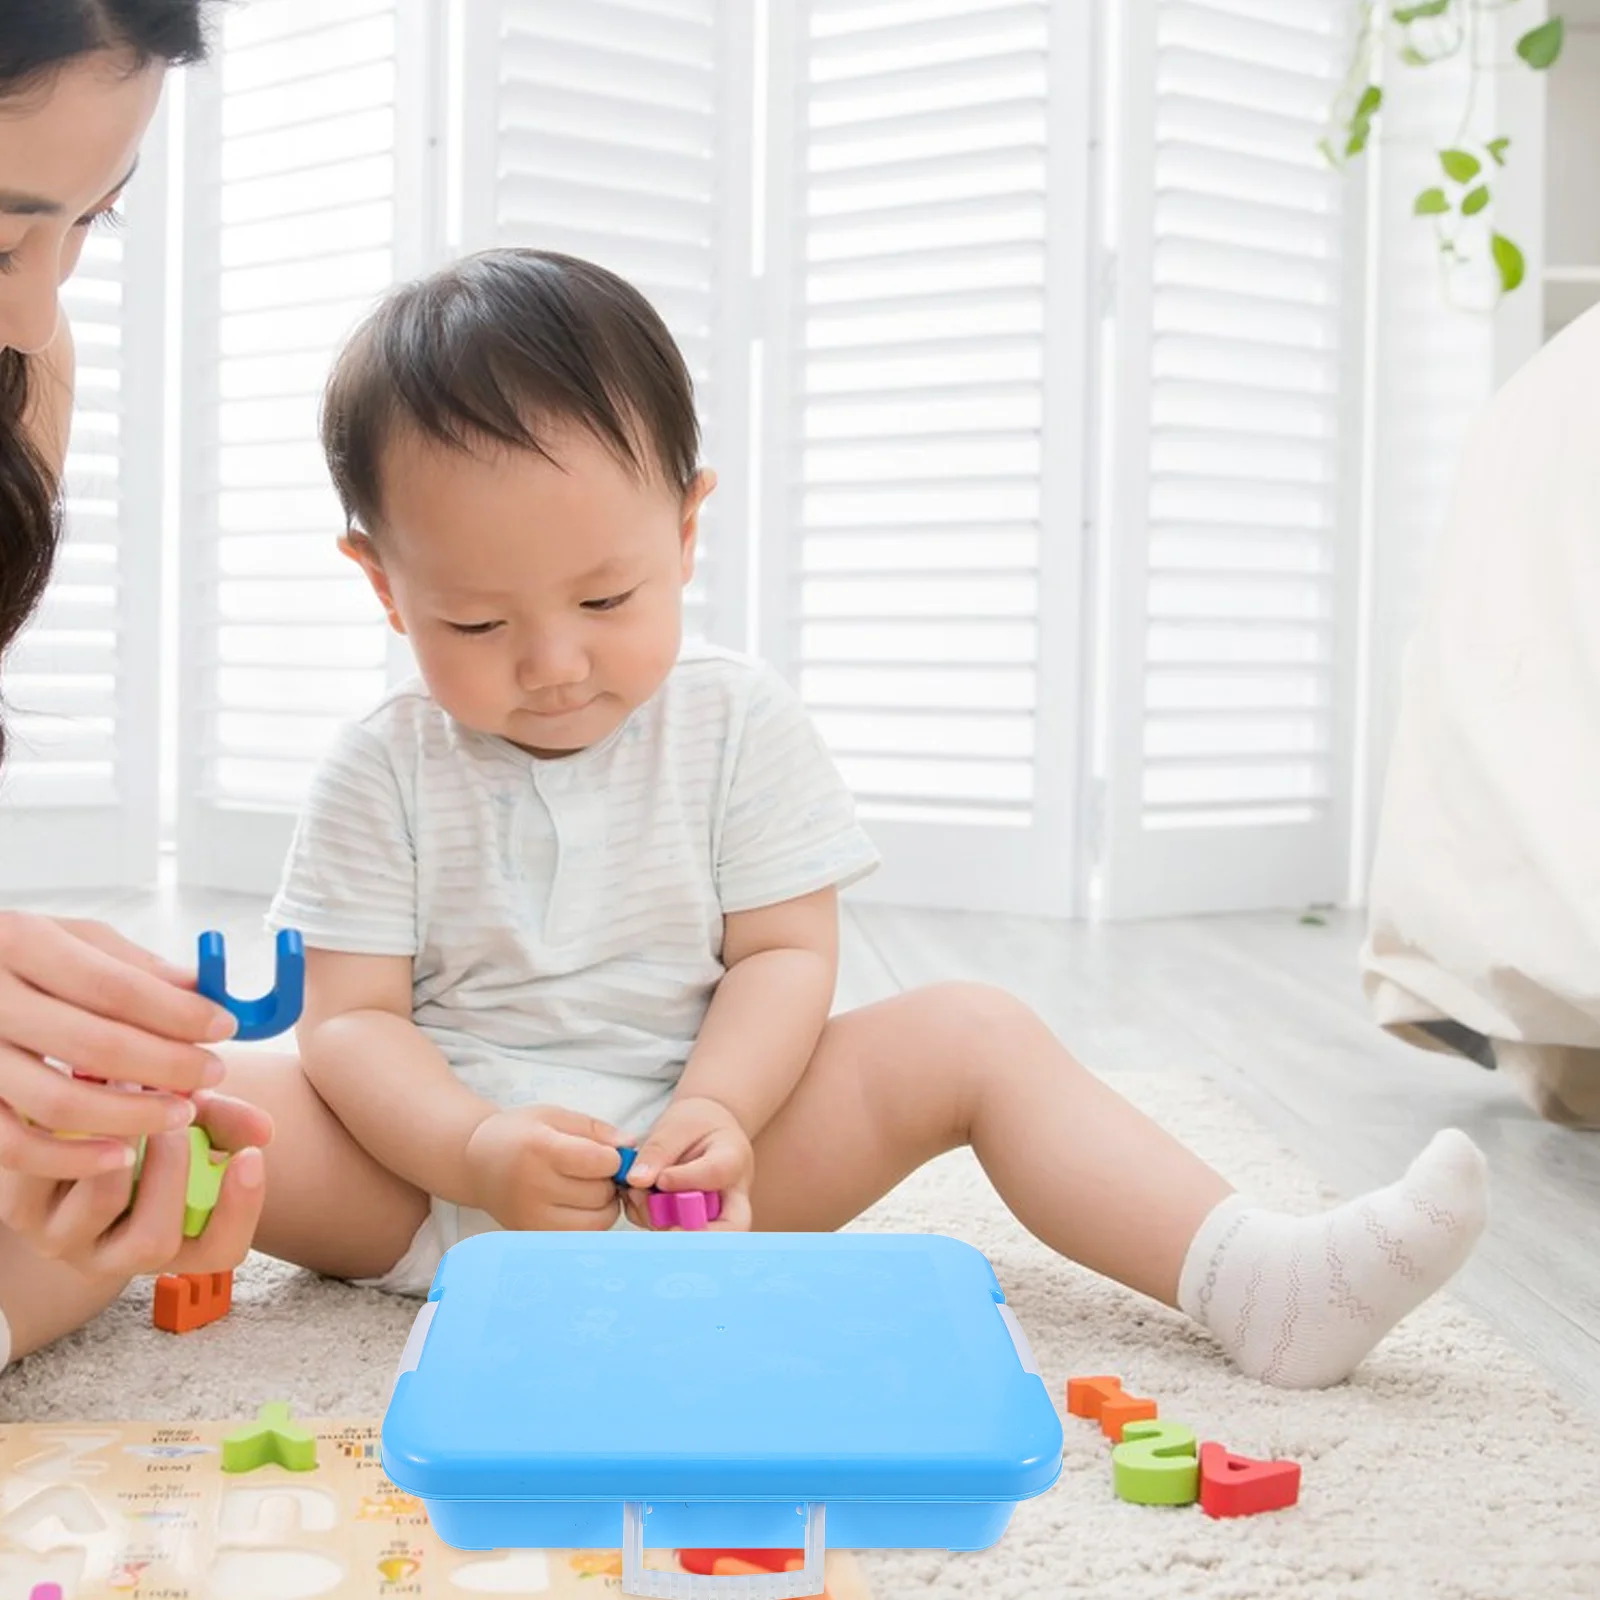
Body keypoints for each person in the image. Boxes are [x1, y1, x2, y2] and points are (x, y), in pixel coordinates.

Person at [261, 244, 1492, 1390]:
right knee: (201, 1100)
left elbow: (785, 955)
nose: (554, 662)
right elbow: (354, 1025)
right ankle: (71, 1269)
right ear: (383, 583)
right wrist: (472, 1151)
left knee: (973, 1032)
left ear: (685, 533)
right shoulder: (385, 767)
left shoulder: (736, 722)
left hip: (713, 1171)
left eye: (604, 596)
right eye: (477, 623)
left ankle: (1261, 1279)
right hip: (428, 1184)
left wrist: (722, 1111)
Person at [0, 2, 429, 1378]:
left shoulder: (19, 380)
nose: (38, 307)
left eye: (92, 224)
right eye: (2, 231)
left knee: (144, 1144)